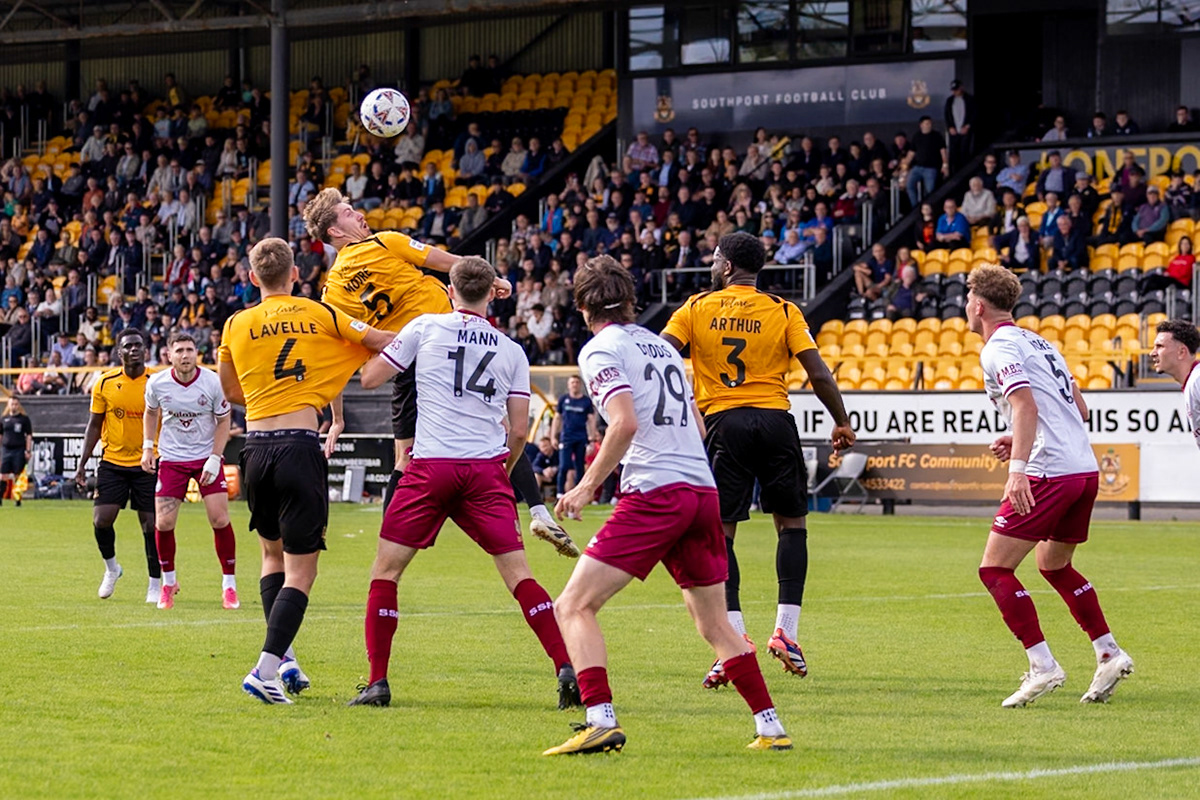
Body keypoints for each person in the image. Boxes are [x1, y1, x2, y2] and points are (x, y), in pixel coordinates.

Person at [544, 255, 793, 756]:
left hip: (657, 493)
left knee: (573, 604)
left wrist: (587, 484)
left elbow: (625, 422)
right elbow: (698, 427)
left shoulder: (600, 349)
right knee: (715, 624)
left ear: (584, 306)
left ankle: (599, 719)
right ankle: (770, 726)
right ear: (629, 298)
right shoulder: (660, 345)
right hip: (700, 491)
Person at [347, 257, 580, 710]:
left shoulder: (425, 326)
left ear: (450, 290)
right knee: (520, 577)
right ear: (493, 292)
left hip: (430, 466)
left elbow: (371, 377)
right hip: (484, 471)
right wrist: (500, 468)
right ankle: (565, 665)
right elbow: (517, 432)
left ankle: (378, 682)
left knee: (386, 570)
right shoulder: (512, 350)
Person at [304, 188, 579, 558]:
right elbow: (453, 263)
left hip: (405, 360)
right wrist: (491, 279)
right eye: (349, 213)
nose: (360, 215)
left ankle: (389, 544)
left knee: (405, 457)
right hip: (448, 345)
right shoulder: (385, 242)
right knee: (496, 432)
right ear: (335, 232)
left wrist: (337, 418)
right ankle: (539, 510)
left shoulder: (333, 290)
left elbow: (332, 354)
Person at [661, 231, 855, 687]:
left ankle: (735, 640)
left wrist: (680, 408)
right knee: (792, 525)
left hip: (724, 423)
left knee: (720, 532)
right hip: (774, 421)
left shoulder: (694, 308)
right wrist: (841, 421)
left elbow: (661, 356)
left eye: (714, 258)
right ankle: (787, 633)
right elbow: (818, 372)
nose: (711, 264)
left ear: (726, 266)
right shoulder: (783, 311)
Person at [217, 238, 394, 704]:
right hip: (299, 446)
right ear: (296, 274)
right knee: (302, 572)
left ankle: (286, 658)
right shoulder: (320, 313)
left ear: (252, 278)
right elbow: (380, 342)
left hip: (254, 449)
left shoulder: (234, 324)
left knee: (271, 559)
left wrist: (264, 393)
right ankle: (266, 669)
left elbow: (230, 390)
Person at [966, 264, 1134, 707]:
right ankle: (1108, 651)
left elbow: (1023, 403)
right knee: (1054, 565)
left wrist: (1017, 465)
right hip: (1083, 470)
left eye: (968, 300)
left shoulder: (997, 348)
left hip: (1049, 472)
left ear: (978, 305)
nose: (966, 307)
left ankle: (1043, 665)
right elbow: (1078, 408)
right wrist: (1019, 436)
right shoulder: (1040, 342)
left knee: (994, 569)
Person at [141, 332, 239, 610]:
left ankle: (229, 586)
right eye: (180, 350)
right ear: (169, 355)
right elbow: (151, 412)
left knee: (219, 519)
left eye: (190, 350)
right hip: (172, 458)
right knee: (163, 523)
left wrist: (215, 458)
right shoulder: (157, 383)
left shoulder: (212, 382)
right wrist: (148, 447)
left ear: (197, 353)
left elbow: (223, 421)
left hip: (205, 456)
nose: (185, 355)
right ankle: (168, 583)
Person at [74, 329, 161, 602]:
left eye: (138, 345)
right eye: (128, 346)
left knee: (150, 524)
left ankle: (154, 584)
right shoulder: (105, 382)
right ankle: (112, 569)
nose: (134, 349)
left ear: (145, 350)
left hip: (148, 462)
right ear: (118, 352)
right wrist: (82, 463)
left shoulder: (158, 381)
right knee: (101, 520)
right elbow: (94, 424)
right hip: (112, 462)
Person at [1150, 320, 1200, 450]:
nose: (1152, 353)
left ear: (1181, 352)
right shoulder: (1193, 381)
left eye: (1160, 346)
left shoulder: (1197, 380)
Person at [551, 375, 596, 497]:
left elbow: (591, 420)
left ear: (580, 384)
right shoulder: (563, 400)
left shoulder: (586, 401)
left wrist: (592, 439)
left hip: (581, 437)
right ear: (568, 385)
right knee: (564, 465)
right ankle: (560, 493)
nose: (574, 384)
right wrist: (553, 436)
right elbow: (557, 418)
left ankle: (578, 493)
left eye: (576, 382)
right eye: (572, 382)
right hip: (566, 437)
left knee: (580, 466)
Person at [0, 397, 32, 506]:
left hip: (19, 449)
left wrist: (28, 450)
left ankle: (17, 499)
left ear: (18, 405)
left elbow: (28, 436)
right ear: (8, 405)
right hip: (6, 449)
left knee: (17, 475)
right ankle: (0, 497)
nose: (14, 406)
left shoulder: (24, 419)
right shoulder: (3, 419)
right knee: (2, 475)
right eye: (12, 404)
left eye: (16, 404)